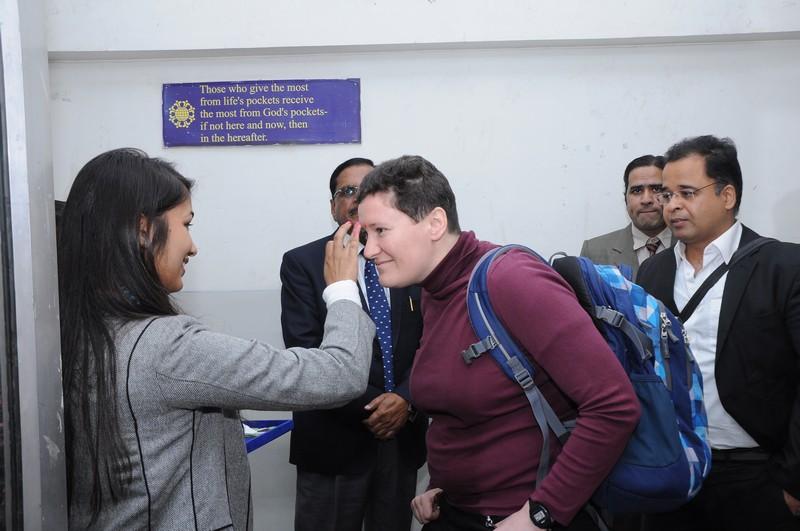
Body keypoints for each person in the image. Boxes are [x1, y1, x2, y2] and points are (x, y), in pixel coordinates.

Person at [58, 148, 375, 530]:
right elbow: (339, 374)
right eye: (186, 224)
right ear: (144, 229)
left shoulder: (86, 331)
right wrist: (342, 288)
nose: (192, 246)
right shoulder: (165, 347)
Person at [356, 155, 641, 530]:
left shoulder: (511, 278)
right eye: (366, 235)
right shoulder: (434, 291)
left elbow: (614, 406)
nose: (369, 249)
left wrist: (541, 513)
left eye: (380, 231)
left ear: (435, 223)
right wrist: (442, 485)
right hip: (457, 510)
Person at [637, 135, 800, 531]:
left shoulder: (783, 266)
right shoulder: (653, 272)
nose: (671, 205)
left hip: (757, 474)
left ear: (727, 196)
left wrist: (793, 480)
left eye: (687, 193)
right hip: (673, 470)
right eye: (667, 194)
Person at [280, 157, 427, 531]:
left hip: (402, 437)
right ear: (333, 206)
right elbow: (306, 351)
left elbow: (432, 341)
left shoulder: (411, 260)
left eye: (369, 189)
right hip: (333, 440)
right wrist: (378, 410)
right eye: (348, 191)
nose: (358, 198)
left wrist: (405, 399)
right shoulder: (302, 263)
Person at [581, 155, 671, 277]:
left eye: (656, 189)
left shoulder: (691, 245)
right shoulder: (594, 251)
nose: (646, 200)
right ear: (625, 199)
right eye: (637, 191)